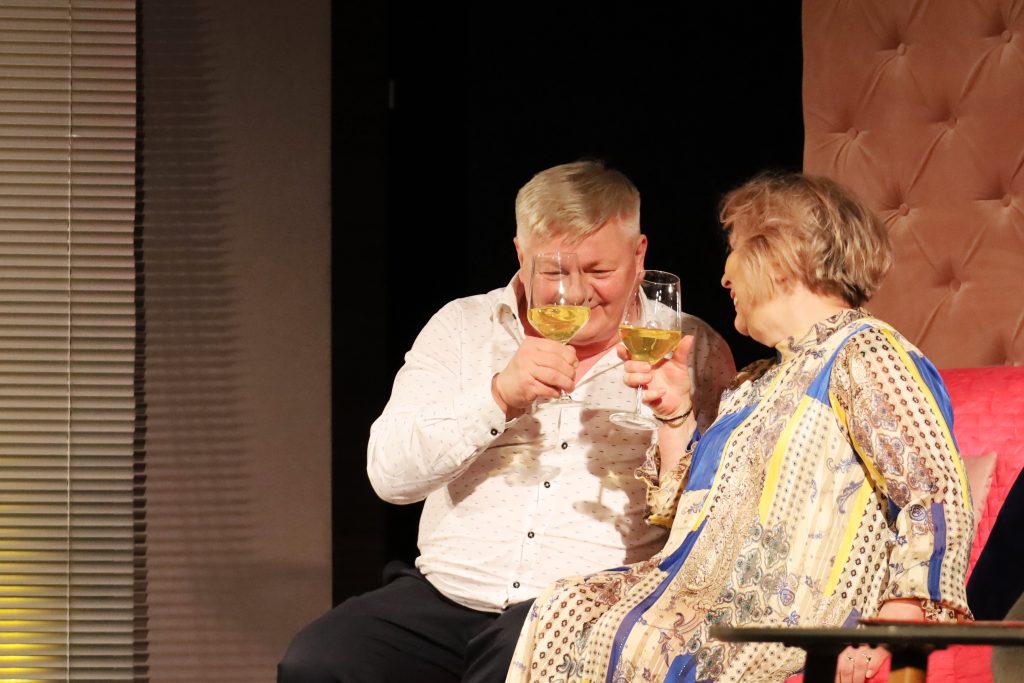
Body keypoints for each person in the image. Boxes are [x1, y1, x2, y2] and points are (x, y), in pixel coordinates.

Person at [277, 160, 736, 682]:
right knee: (319, 661)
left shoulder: (689, 347)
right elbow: (390, 477)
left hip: (584, 608)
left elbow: (719, 517)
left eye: (599, 272)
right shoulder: (462, 328)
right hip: (446, 594)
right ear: (521, 255)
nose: (576, 294)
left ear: (639, 254)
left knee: (515, 661)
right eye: (554, 273)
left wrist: (676, 420)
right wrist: (497, 397)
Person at [507, 172, 975, 683]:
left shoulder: (863, 350)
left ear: (778, 258)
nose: (725, 277)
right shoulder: (755, 383)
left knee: (642, 640)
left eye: (734, 250)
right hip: (698, 596)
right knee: (563, 607)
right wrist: (674, 414)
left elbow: (933, 490)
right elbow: (683, 516)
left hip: (781, 613)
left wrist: (902, 614)